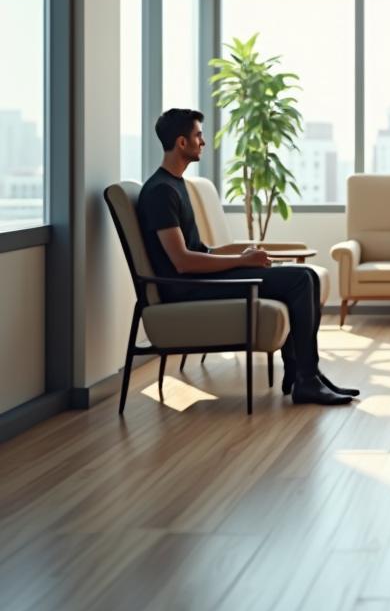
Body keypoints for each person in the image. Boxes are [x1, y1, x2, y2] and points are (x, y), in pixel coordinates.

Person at [136, 108, 357, 406]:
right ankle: (305, 378)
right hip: (190, 288)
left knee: (306, 276)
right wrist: (242, 262)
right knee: (301, 279)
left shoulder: (175, 185)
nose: (204, 142)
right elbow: (183, 262)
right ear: (181, 143)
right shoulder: (161, 191)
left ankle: (304, 374)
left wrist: (244, 253)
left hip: (201, 279)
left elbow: (201, 251)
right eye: (198, 135)